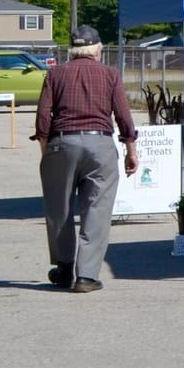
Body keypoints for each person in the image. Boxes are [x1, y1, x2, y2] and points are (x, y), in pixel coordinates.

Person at [33, 25, 139, 293]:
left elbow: (43, 117)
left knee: (60, 210)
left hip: (61, 142)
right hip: (100, 143)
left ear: (73, 50)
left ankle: (64, 268)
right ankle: (87, 276)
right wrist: (131, 151)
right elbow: (124, 117)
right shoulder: (110, 74)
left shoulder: (55, 73)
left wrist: (47, 153)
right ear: (97, 49)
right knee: (97, 210)